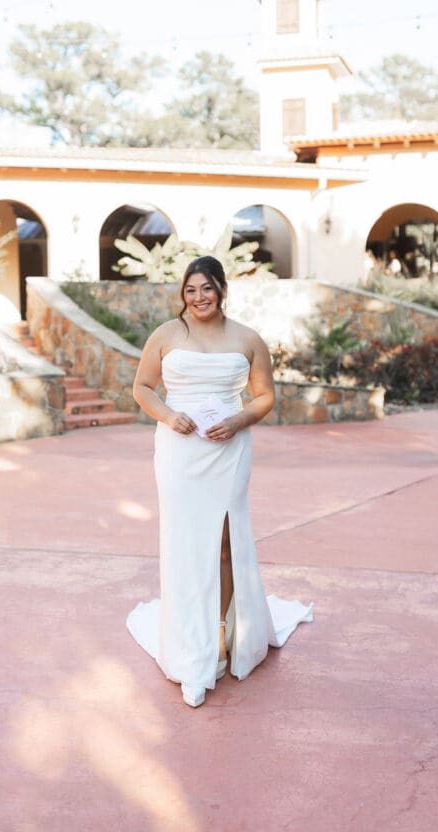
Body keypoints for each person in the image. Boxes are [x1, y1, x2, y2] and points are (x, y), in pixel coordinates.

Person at [126, 255, 313, 708]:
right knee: (185, 542)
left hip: (228, 447)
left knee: (226, 542)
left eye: (206, 288)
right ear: (182, 295)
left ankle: (224, 634)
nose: (198, 298)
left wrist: (238, 420)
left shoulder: (248, 338)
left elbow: (265, 395)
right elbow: (143, 388)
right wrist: (170, 416)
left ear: (222, 289)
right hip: (180, 449)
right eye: (190, 291)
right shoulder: (166, 336)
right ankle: (191, 645)